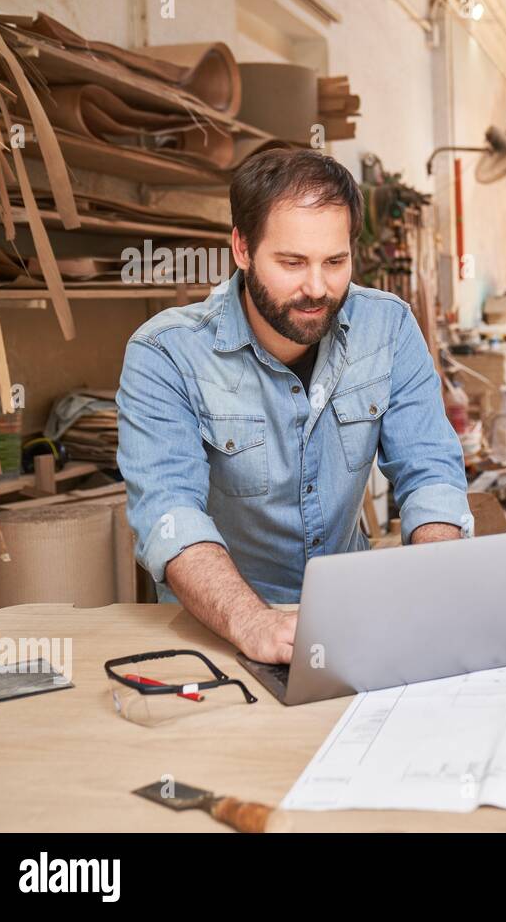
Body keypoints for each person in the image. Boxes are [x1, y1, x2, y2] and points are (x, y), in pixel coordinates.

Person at [117, 149, 470, 662]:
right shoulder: (164, 355)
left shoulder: (388, 327)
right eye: (291, 263)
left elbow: (429, 469)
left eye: (335, 262)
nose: (317, 288)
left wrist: (438, 574)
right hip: (219, 630)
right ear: (241, 247)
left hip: (352, 619)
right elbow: (169, 514)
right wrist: (252, 621)